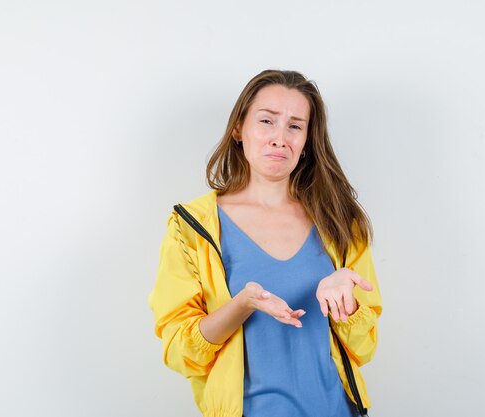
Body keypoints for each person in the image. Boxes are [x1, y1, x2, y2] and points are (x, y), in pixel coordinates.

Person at [149, 69, 383, 417]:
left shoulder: (340, 223)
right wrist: (242, 304)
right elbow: (181, 352)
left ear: (307, 141)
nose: (279, 138)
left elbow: (363, 348)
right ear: (238, 129)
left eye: (295, 125)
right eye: (266, 121)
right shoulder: (192, 228)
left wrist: (344, 304)